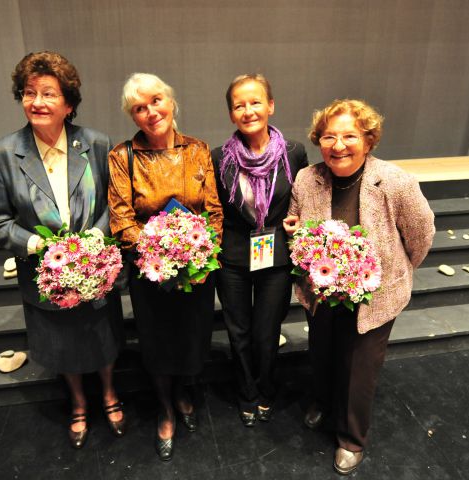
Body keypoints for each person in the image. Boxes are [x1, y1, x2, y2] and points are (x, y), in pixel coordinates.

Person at [0, 51, 125, 449]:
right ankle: (78, 402)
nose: (37, 102)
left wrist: (94, 239)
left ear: (68, 103)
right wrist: (37, 244)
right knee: (62, 341)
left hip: (96, 269)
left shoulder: (96, 143)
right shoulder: (3, 153)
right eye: (29, 93)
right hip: (44, 273)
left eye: (48, 93)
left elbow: (115, 203)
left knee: (103, 334)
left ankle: (109, 391)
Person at [285, 99, 435, 474]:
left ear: (368, 140)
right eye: (329, 137)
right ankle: (322, 401)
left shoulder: (396, 182)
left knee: (359, 369)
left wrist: (393, 272)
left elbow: (421, 236)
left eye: (349, 136)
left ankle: (351, 438)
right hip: (322, 292)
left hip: (374, 296)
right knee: (322, 353)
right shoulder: (306, 179)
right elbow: (295, 221)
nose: (338, 146)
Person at [108, 73, 223, 461]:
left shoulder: (198, 149)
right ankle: (165, 409)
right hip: (149, 271)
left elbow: (213, 211)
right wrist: (162, 253)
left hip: (197, 268)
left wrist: (199, 253)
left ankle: (184, 392)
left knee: (192, 336)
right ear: (133, 116)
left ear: (171, 101)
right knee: (157, 343)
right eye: (139, 108)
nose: (151, 112)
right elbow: (122, 218)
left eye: (156, 100)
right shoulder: (122, 156)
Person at [211, 74, 308, 426]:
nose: (248, 110)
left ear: (270, 105)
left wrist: (298, 221)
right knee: (238, 330)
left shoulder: (294, 152)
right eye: (239, 105)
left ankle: (266, 388)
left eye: (255, 102)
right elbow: (216, 208)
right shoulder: (219, 157)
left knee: (267, 329)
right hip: (233, 256)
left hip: (276, 254)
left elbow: (303, 198)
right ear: (231, 114)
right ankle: (246, 392)